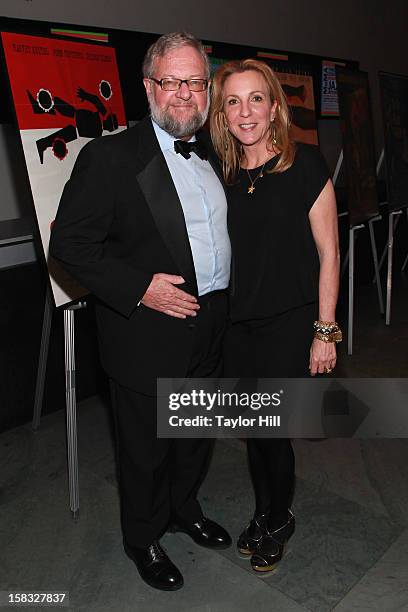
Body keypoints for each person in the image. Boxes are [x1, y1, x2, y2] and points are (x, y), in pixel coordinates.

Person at [50, 32, 232, 592]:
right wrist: (139, 288)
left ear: (207, 89)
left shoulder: (214, 155)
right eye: (171, 81)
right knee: (146, 448)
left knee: (194, 435)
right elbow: (70, 248)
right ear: (149, 87)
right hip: (146, 333)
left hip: (211, 324)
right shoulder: (109, 158)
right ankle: (143, 536)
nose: (184, 93)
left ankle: (183, 509)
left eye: (195, 82)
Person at [210, 59, 341, 572]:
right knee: (252, 427)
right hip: (237, 324)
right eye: (233, 101)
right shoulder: (220, 174)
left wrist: (324, 331)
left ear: (274, 107)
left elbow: (330, 252)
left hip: (289, 321)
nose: (246, 112)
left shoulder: (305, 163)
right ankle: (265, 511)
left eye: (256, 99)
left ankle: (278, 516)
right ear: (223, 112)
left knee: (271, 428)